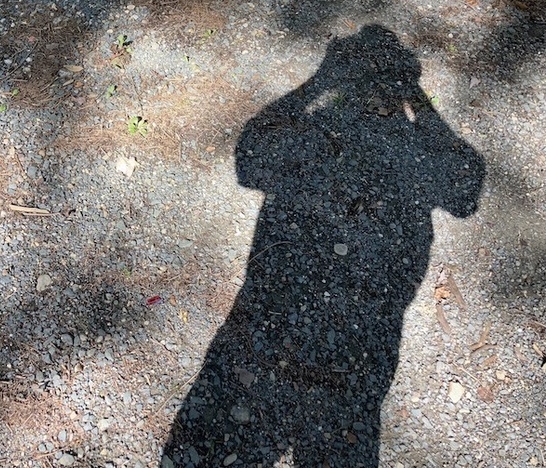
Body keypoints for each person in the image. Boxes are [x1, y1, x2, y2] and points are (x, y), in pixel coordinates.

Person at [161, 24, 484, 467]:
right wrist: (417, 98)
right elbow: (462, 193)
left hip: (279, 320)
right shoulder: (401, 139)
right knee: (346, 425)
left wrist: (321, 81)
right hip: (368, 336)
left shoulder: (320, 121)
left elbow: (250, 161)